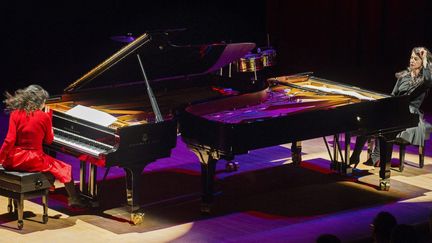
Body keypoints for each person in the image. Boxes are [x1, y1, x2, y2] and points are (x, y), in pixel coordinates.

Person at [0, 84, 85, 208]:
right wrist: (49, 121)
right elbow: (49, 140)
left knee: (54, 166)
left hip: (15, 160)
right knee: (65, 169)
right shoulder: (44, 116)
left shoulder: (16, 113)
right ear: (39, 101)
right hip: (35, 160)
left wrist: (1, 159)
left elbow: (9, 140)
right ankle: (73, 199)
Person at [350, 47, 432, 167]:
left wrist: (425, 58)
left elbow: (429, 80)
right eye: (411, 58)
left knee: (384, 122)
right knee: (368, 121)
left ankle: (376, 157)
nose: (412, 61)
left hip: (410, 114)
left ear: (422, 62)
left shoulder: (424, 81)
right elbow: (393, 95)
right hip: (395, 109)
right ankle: (355, 156)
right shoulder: (403, 76)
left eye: (416, 59)